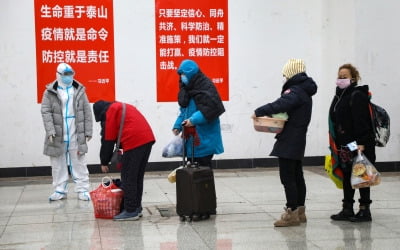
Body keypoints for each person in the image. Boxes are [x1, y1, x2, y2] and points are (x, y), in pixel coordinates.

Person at [253, 58, 318, 227]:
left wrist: (259, 111)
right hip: (297, 138)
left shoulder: (296, 91)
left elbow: (281, 104)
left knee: (288, 177)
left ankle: (291, 213)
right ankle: (300, 212)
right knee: (297, 176)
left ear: (291, 73)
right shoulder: (304, 90)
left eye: (284, 74)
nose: (283, 77)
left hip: (290, 138)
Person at [93, 100, 155, 221]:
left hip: (134, 142)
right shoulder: (121, 106)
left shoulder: (111, 112)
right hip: (147, 139)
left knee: (128, 177)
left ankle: (131, 210)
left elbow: (108, 140)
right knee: (137, 176)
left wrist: (104, 161)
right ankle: (136, 207)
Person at [328, 63, 375, 222]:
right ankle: (347, 208)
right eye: (339, 76)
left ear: (353, 78)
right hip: (346, 144)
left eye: (344, 77)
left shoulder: (356, 95)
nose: (341, 79)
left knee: (362, 175)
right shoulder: (340, 95)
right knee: (348, 174)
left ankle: (364, 210)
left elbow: (361, 121)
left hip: (358, 143)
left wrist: (361, 143)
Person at [41, 62, 93, 201]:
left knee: (79, 160)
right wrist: (50, 130)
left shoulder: (79, 90)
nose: (68, 77)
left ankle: (82, 189)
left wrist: (88, 131)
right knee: (58, 162)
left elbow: (87, 111)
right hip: (58, 132)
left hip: (75, 129)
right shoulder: (50, 91)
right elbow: (45, 111)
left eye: (70, 74)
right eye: (65, 75)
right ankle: (59, 189)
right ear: (58, 75)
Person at [172, 59, 225, 168]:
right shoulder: (186, 90)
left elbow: (210, 109)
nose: (182, 77)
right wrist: (177, 125)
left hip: (205, 138)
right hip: (191, 139)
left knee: (203, 171)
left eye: (184, 74)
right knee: (192, 172)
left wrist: (192, 120)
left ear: (191, 74)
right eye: (180, 74)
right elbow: (183, 111)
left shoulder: (206, 88)